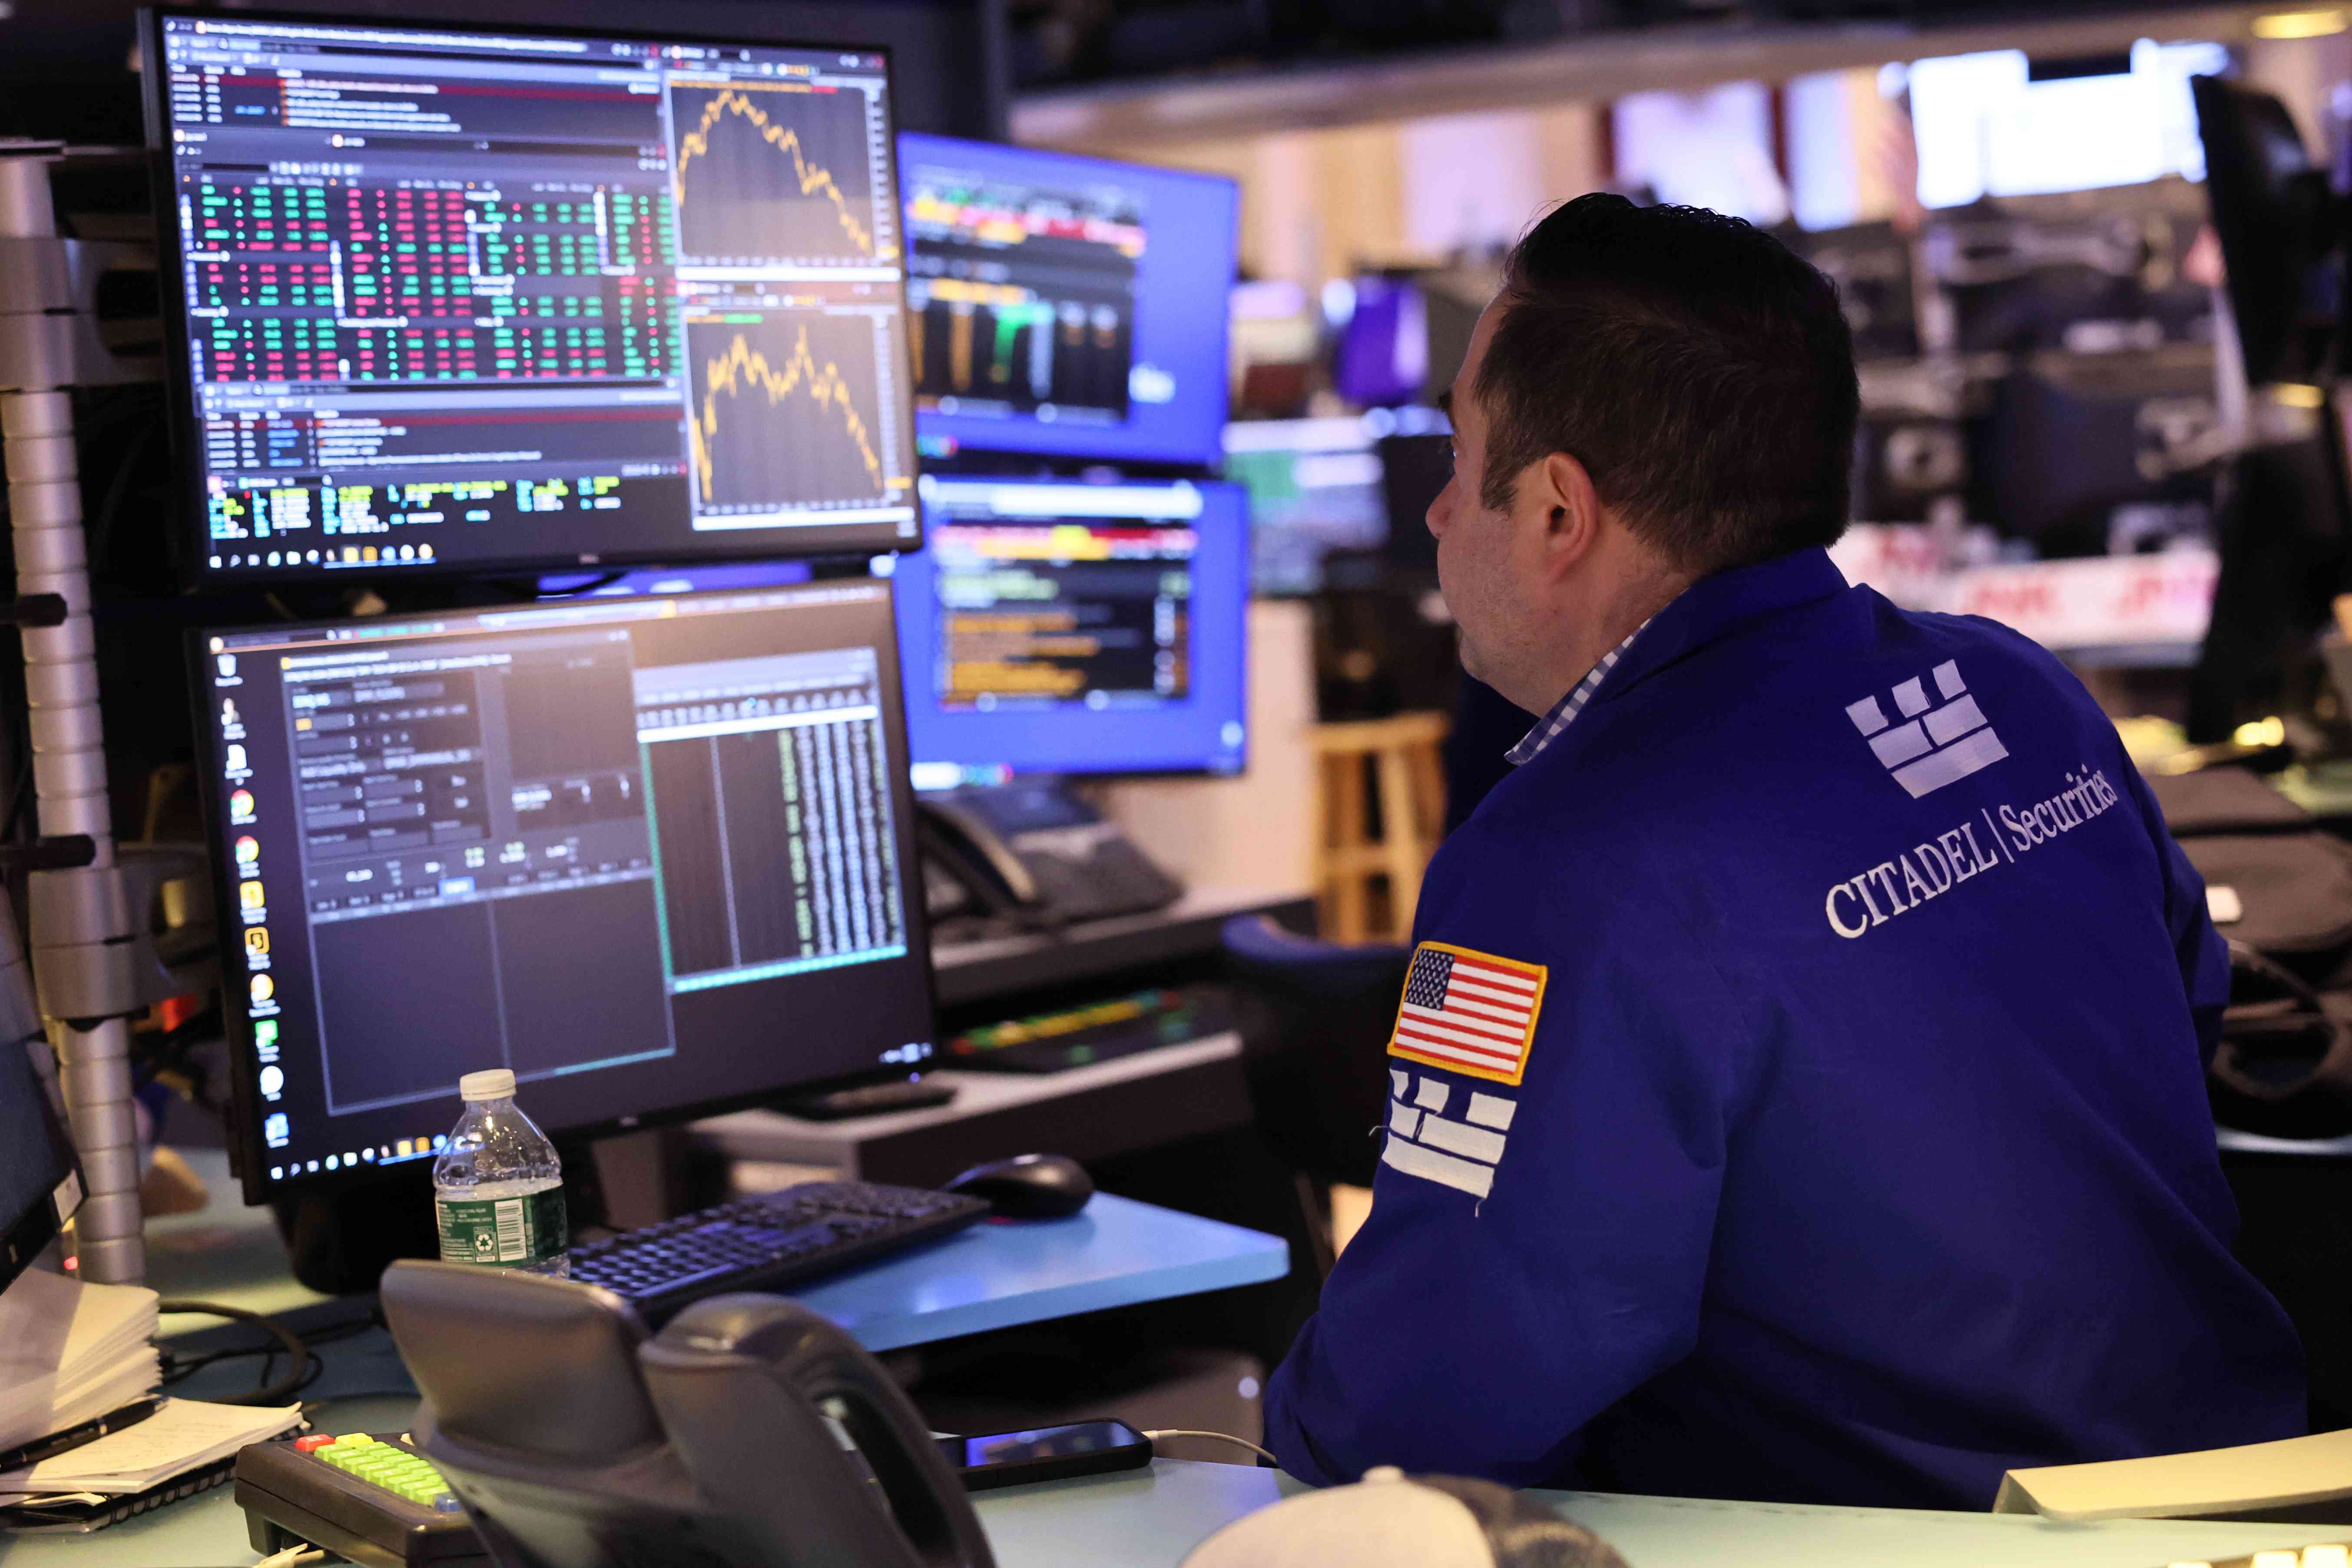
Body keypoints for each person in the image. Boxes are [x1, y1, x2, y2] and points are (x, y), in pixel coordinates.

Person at [1260, 194, 2305, 1509]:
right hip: (2254, 1498)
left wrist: (1254, 1449)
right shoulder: (2017, 691)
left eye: (1462, 462)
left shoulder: (1564, 864)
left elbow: (1433, 1399)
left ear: (1557, 512)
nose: (1436, 517)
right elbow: (2187, 1010)